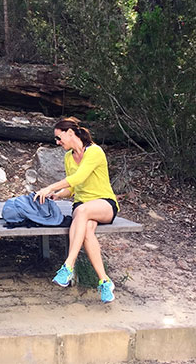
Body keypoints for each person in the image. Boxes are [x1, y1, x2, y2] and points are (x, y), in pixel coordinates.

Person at [33, 117, 119, 303]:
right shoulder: (67, 157)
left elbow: (79, 177)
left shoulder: (94, 152)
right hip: (82, 205)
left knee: (81, 212)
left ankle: (68, 265)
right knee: (87, 230)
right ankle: (105, 281)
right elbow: (72, 188)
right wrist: (58, 195)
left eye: (58, 138)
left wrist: (50, 187)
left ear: (70, 133)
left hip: (103, 203)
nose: (57, 142)